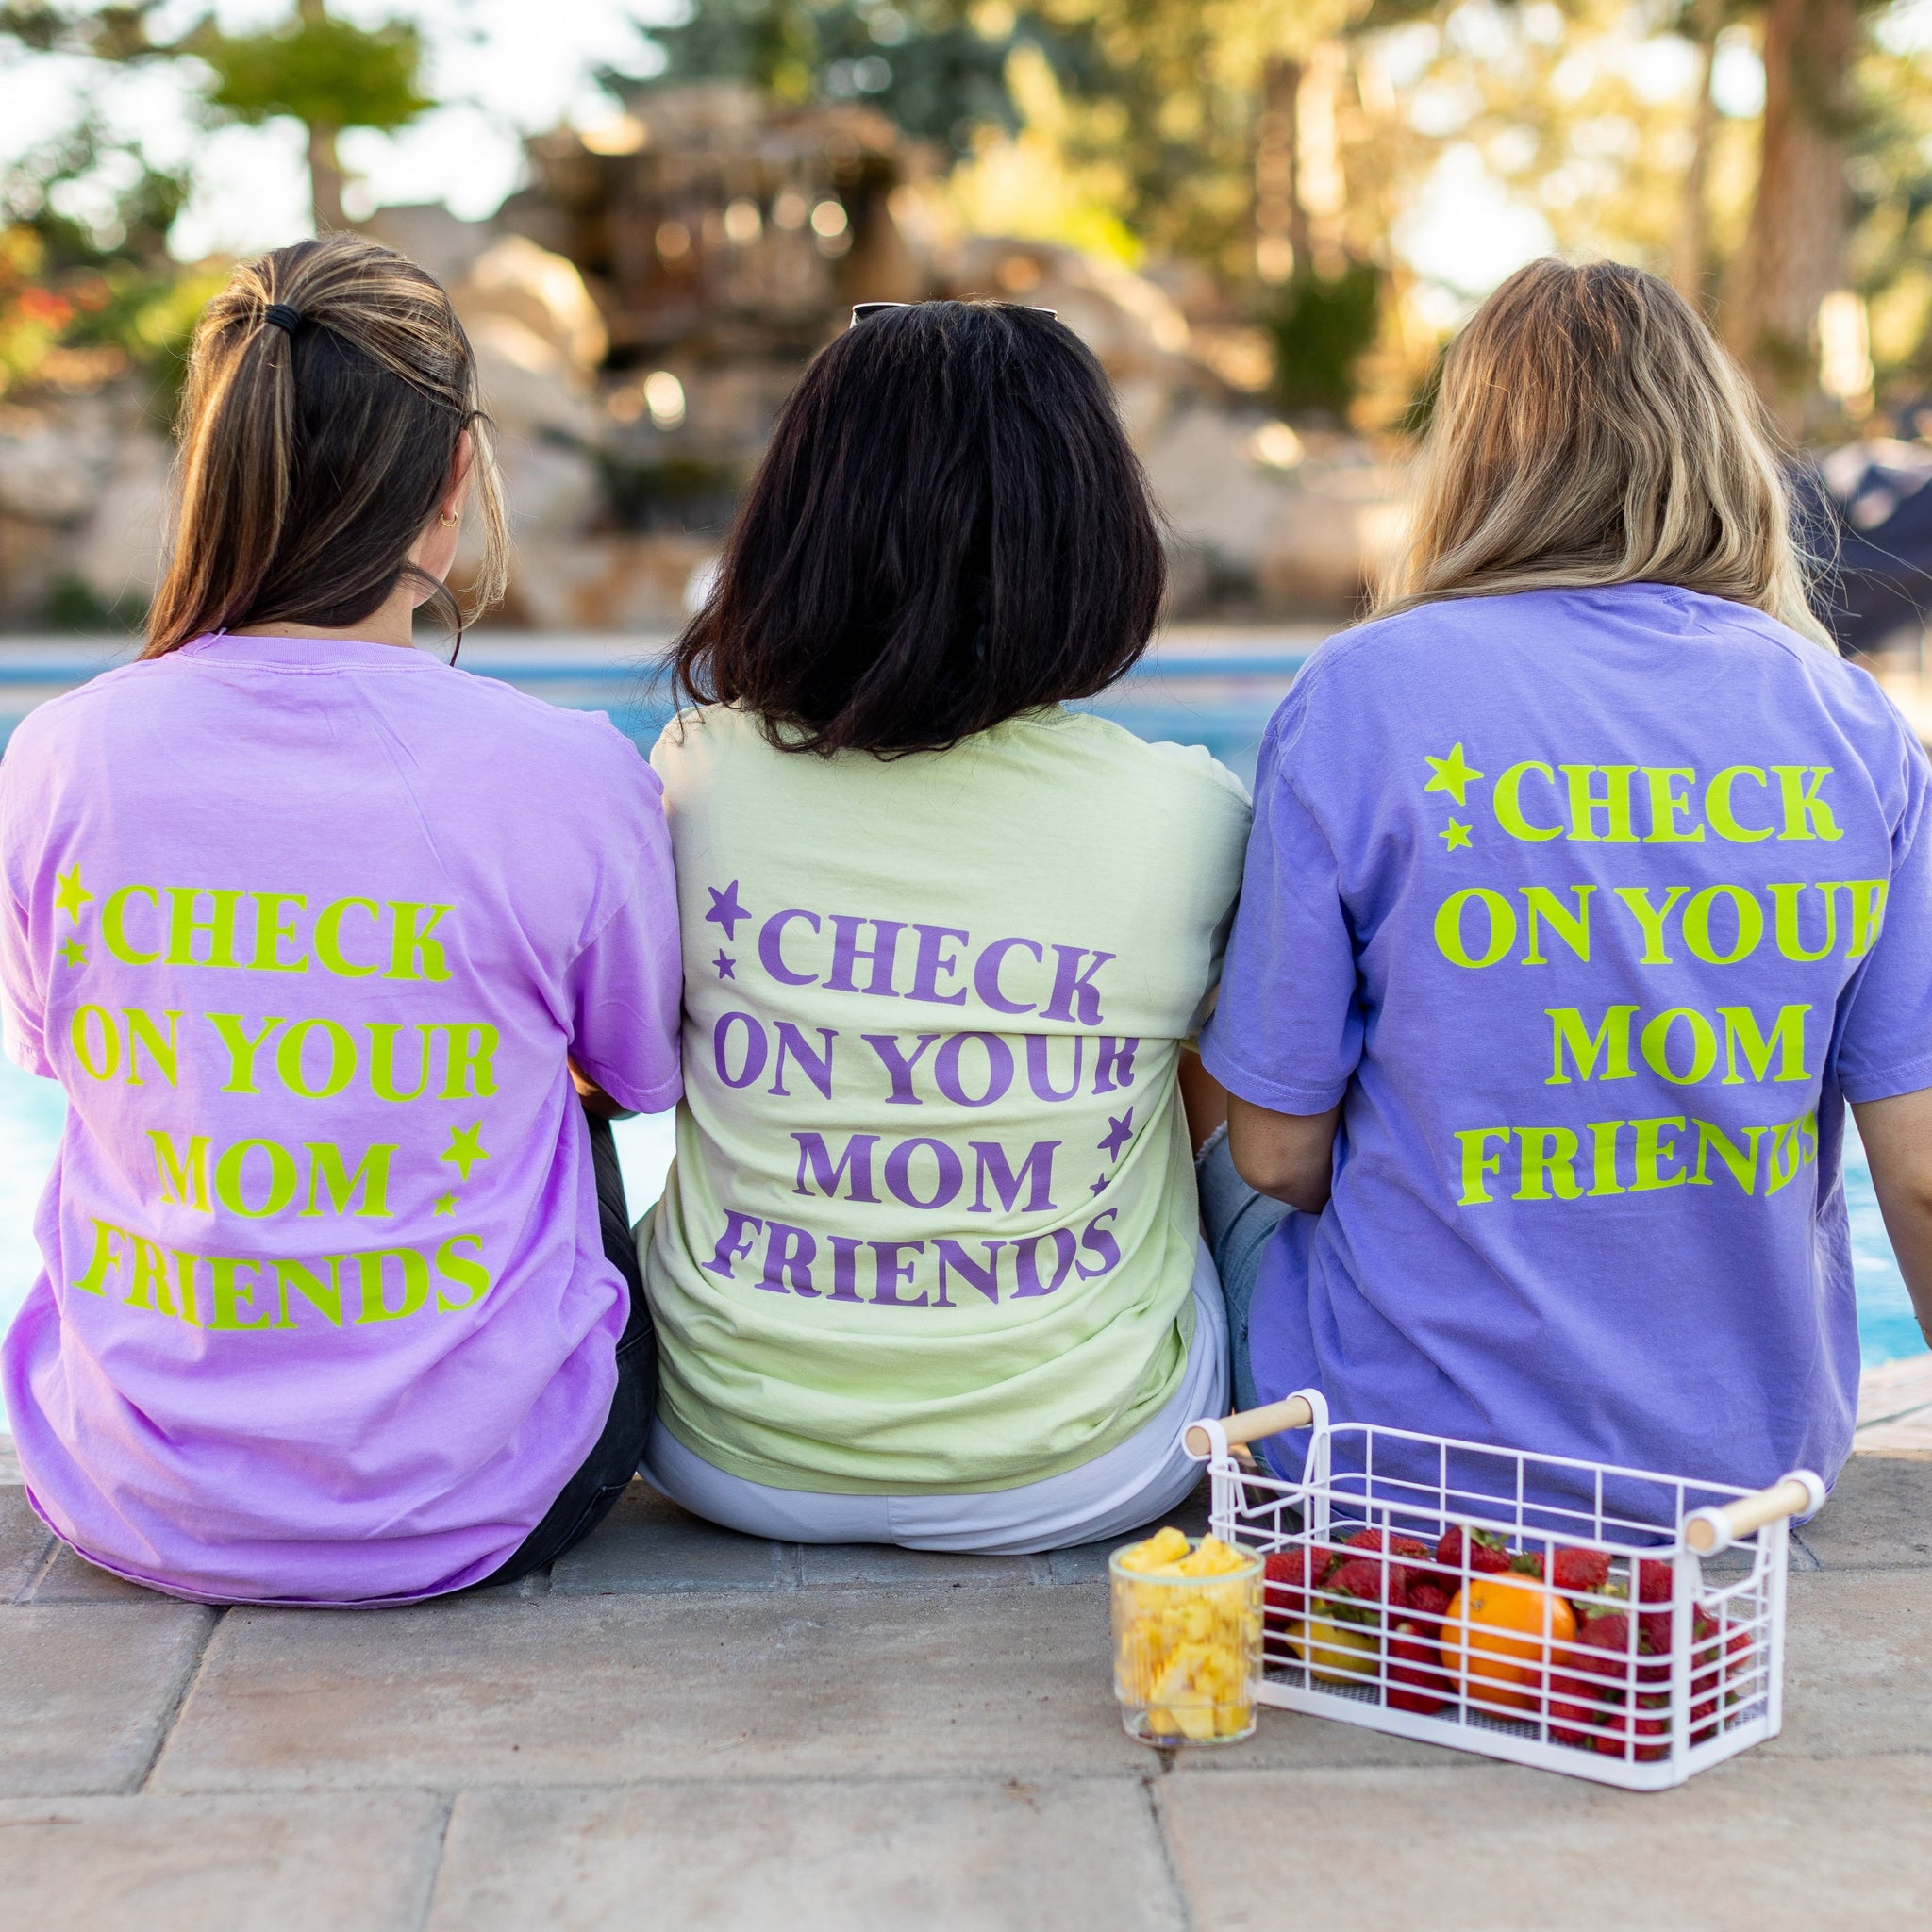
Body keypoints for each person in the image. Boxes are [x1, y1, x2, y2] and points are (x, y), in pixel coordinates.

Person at [0, 235, 682, 1604]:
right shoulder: (566, 773)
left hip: (135, 1491)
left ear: (214, 472)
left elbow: (64, 1058)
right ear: (453, 482)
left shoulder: (61, 757)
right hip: (481, 1496)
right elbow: (635, 1072)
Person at [1199, 258, 1932, 1507]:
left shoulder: (1362, 695)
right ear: (1715, 446)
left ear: (1471, 458)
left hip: (1406, 1469)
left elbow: (1275, 1155)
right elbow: (1914, 1173)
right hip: (1736, 1488)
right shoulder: (1850, 724)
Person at [641, 300, 1252, 1552]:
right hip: (1086, 1466)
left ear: (798, 528)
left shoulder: (697, 775)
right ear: (1093, 541)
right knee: (1262, 1110)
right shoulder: (1188, 815)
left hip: (723, 1448)